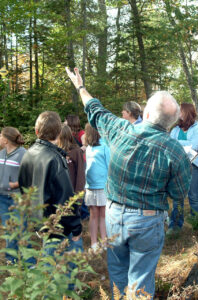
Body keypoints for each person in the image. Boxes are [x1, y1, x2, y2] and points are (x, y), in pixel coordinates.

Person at [66, 67, 191, 299]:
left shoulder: (121, 130)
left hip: (114, 215)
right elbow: (178, 193)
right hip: (147, 219)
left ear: (146, 113)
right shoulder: (175, 151)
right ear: (172, 122)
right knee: (141, 280)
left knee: (118, 273)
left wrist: (80, 86)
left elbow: (95, 110)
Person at [18, 111, 82, 253]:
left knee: (50, 260)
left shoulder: (28, 153)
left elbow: (23, 188)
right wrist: (76, 227)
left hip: (40, 221)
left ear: (36, 131)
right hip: (57, 226)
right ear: (59, 132)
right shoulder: (55, 159)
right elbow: (65, 198)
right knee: (61, 265)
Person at [168, 103, 198, 234]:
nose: (178, 114)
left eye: (180, 111)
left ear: (187, 112)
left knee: (193, 196)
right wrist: (185, 145)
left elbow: (195, 146)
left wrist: (178, 144)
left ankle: (197, 225)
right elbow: (169, 144)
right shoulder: (175, 129)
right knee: (178, 197)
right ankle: (175, 225)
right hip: (177, 166)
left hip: (194, 166)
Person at [0, 127, 26, 263]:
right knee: (8, 229)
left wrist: (15, 184)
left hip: (17, 198)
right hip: (2, 198)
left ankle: (27, 260)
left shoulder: (23, 154)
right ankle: (11, 259)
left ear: (5, 140)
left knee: (20, 229)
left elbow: (29, 175)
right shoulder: (1, 153)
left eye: (0, 136)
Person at [84, 123, 110, 251]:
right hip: (95, 186)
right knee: (97, 214)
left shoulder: (98, 146)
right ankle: (97, 243)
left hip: (98, 186)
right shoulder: (95, 147)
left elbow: (108, 165)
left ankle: (100, 242)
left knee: (99, 214)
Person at [57, 124, 85, 195]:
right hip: (58, 194)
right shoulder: (55, 151)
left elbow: (80, 175)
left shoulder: (76, 151)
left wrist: (78, 197)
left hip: (72, 194)